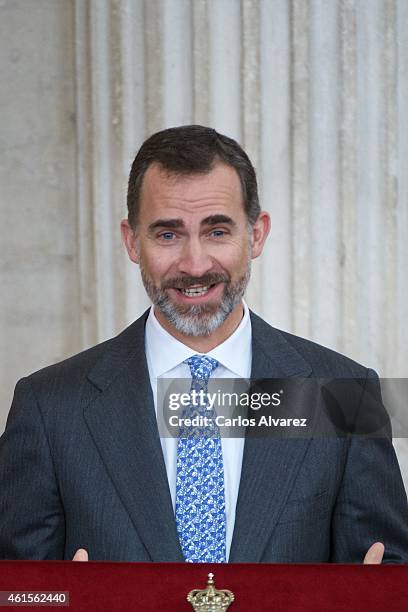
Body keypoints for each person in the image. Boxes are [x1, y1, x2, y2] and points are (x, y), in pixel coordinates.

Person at [0, 125, 407, 564]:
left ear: (256, 235)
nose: (195, 265)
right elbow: (16, 591)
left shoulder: (342, 395)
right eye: (168, 235)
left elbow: (386, 574)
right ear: (132, 240)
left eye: (216, 231)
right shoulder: (48, 408)